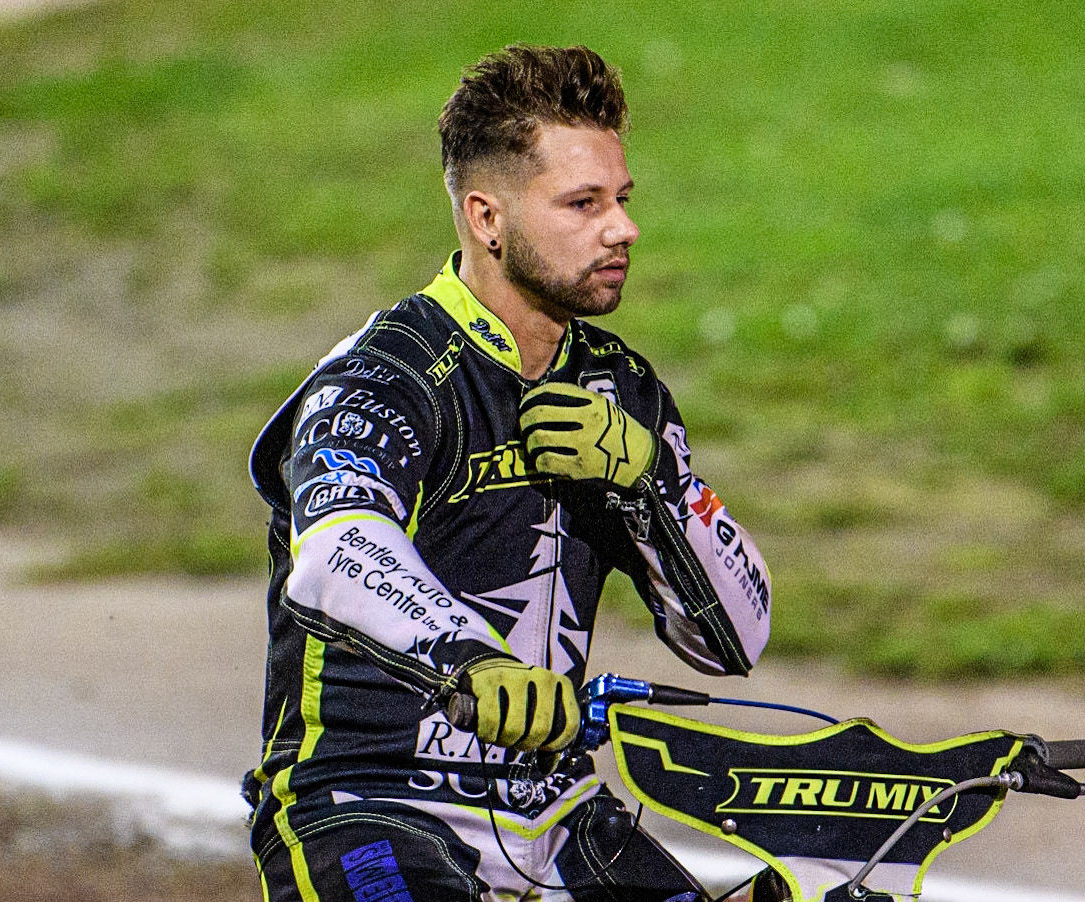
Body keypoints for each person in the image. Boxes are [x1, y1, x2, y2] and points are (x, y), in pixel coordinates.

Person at [244, 44, 774, 901]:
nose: (623, 228)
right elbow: (338, 551)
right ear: (488, 218)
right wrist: (470, 665)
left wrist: (653, 485)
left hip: (556, 813)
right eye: (583, 203)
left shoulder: (621, 389)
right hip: (366, 805)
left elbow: (734, 641)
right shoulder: (383, 378)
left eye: (622, 200)